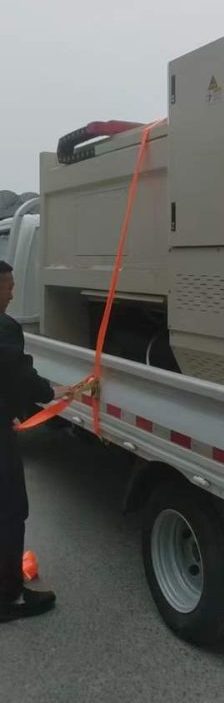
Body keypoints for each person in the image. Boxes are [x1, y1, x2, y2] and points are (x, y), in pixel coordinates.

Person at [0, 259, 71, 621]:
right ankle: (8, 597)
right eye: (9, 286)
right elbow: (16, 372)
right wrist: (50, 391)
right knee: (10, 510)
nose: (13, 293)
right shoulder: (4, 327)